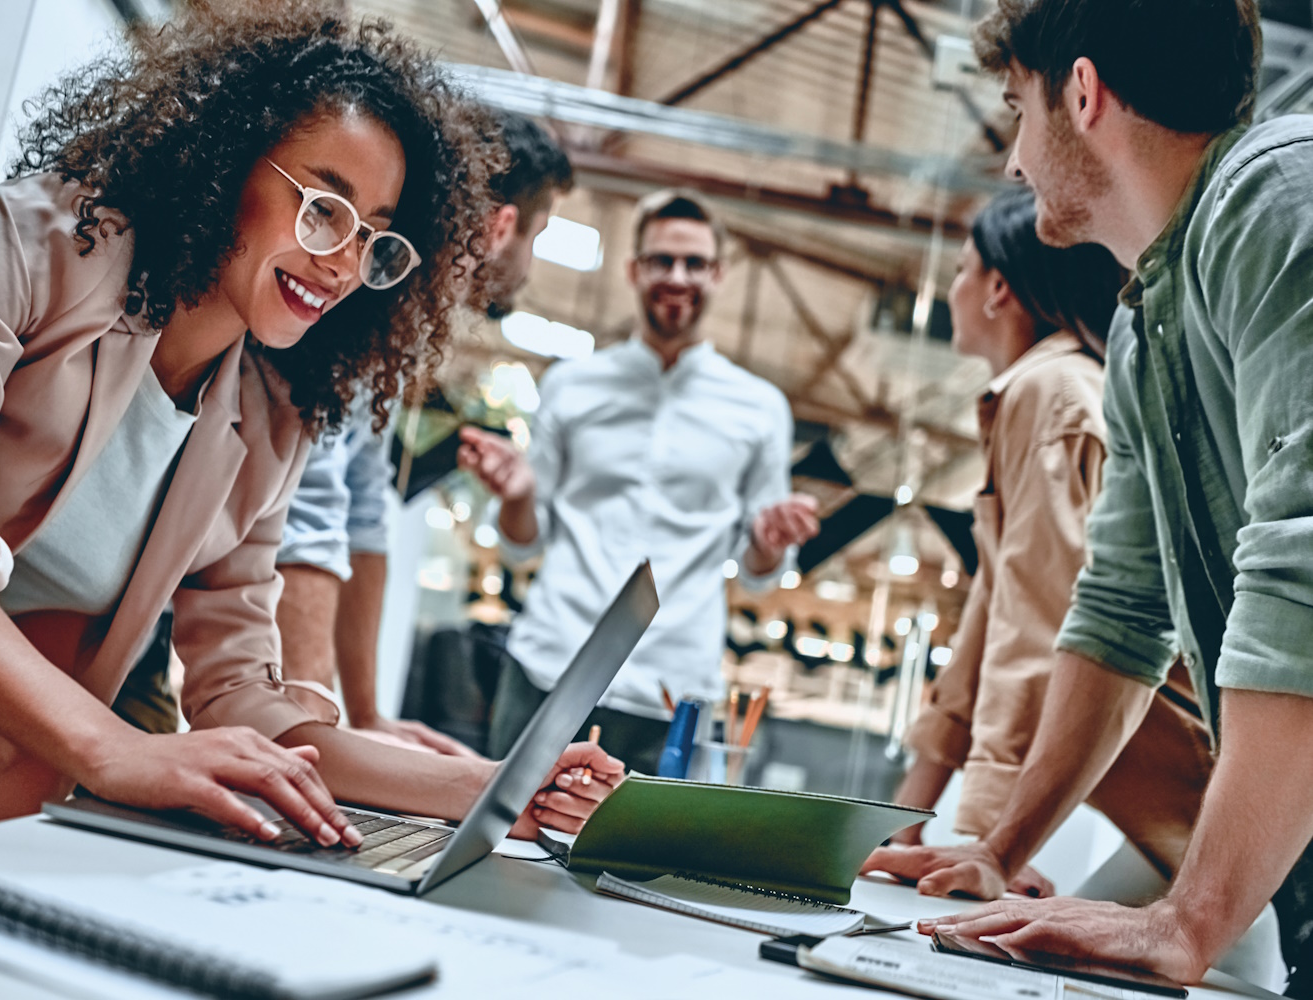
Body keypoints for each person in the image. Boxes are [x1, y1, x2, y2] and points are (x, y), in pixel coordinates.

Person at [0, 3, 620, 852]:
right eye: (323, 208)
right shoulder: (21, 249)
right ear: (228, 158)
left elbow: (240, 693)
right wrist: (116, 750)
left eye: (376, 240)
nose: (343, 263)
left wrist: (495, 787)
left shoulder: (270, 418)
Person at [860, 0, 1313, 992]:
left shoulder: (1280, 197)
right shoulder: (1148, 325)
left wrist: (1185, 920)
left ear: (1081, 91)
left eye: (1018, 109)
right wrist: (998, 843)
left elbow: (1306, 570)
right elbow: (1118, 612)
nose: (1016, 163)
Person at [876, 188, 1218, 896]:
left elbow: (1040, 622)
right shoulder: (1036, 393)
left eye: (963, 268)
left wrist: (992, 842)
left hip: (1183, 786)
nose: (952, 286)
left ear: (1000, 287)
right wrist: (903, 818)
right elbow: (987, 624)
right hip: (1152, 791)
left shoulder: (1051, 393)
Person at [460, 189, 821, 775]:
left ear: (719, 274)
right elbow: (522, 541)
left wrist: (769, 542)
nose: (677, 276)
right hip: (551, 666)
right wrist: (520, 496)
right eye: (661, 260)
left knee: (639, 865)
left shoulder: (761, 409)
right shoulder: (572, 385)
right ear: (633, 270)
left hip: (673, 689)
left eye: (695, 263)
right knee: (502, 845)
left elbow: (760, 576)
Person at [271, 111, 573, 755]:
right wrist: (320, 738)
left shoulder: (405, 324)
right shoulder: (368, 293)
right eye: (538, 235)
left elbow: (363, 508)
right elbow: (313, 509)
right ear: (502, 226)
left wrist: (365, 715)